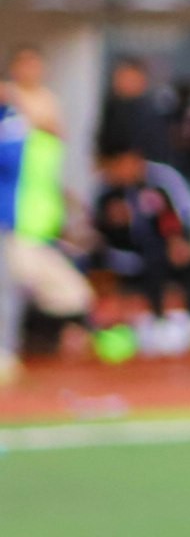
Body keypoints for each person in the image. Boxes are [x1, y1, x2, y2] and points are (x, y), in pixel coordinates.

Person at [2, 47, 91, 375]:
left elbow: (48, 174)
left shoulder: (44, 117)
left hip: (40, 228)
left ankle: (32, 343)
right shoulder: (10, 116)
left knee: (71, 295)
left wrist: (67, 214)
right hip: (11, 224)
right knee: (9, 290)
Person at [88, 129, 190, 348]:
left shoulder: (162, 179)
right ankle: (155, 321)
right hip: (125, 256)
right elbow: (96, 231)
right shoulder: (106, 189)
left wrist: (180, 242)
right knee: (150, 260)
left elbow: (186, 215)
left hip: (165, 250)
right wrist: (113, 225)